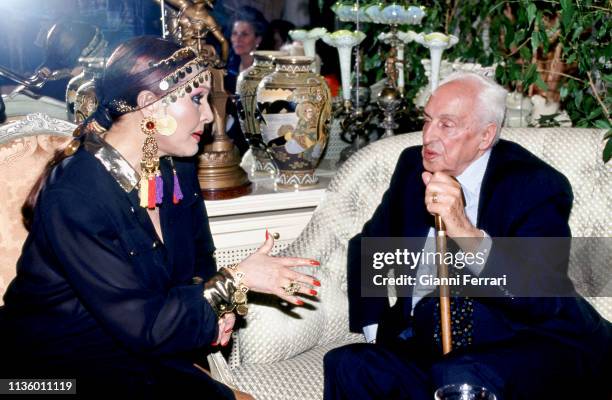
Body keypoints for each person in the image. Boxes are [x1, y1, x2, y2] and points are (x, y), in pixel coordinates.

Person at [1, 36, 320, 398]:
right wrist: (233, 283)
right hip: (48, 372)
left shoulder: (175, 173)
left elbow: (196, 265)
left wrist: (218, 309)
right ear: (150, 105)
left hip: (130, 355)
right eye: (196, 99)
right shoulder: (76, 195)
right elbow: (143, 322)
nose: (209, 115)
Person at [323, 72, 612, 399]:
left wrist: (463, 228)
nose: (428, 136)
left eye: (446, 125)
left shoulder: (536, 185)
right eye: (427, 120)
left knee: (458, 373)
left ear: (485, 136)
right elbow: (369, 246)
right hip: (431, 343)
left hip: (530, 343)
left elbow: (539, 296)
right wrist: (376, 332)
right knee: (348, 364)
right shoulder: (411, 168)